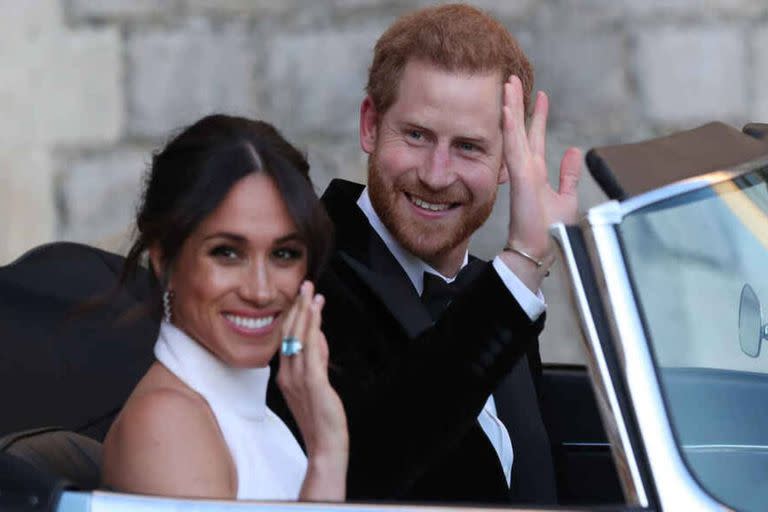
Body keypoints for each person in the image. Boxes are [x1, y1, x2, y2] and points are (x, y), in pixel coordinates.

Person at [267, 3, 583, 505]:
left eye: (469, 147)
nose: (436, 175)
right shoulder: (300, 277)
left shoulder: (494, 291)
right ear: (370, 125)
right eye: (416, 135)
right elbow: (369, 471)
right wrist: (523, 264)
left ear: (508, 160)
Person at [101, 115, 348, 501]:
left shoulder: (253, 415)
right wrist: (328, 455)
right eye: (227, 253)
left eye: (284, 254)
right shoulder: (166, 426)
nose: (261, 291)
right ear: (164, 258)